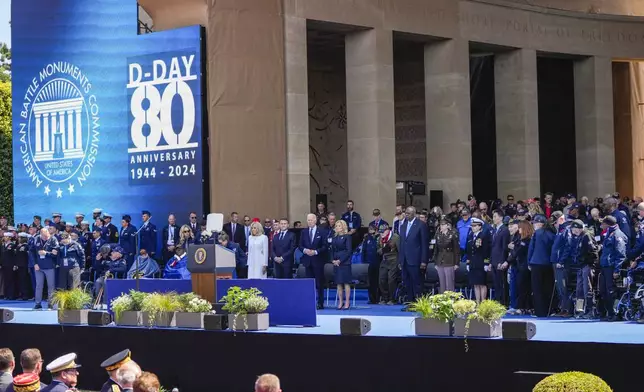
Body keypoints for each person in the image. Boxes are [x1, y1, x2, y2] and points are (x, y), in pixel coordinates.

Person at [598, 215, 627, 321]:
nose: (601, 225)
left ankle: (614, 313)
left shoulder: (617, 235)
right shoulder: (609, 233)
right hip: (605, 266)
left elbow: (621, 254)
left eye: (603, 223)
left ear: (608, 224)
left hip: (611, 267)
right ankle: (608, 313)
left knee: (611, 291)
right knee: (603, 291)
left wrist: (616, 270)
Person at [399, 206, 429, 306]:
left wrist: (424, 260)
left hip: (416, 259)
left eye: (408, 213)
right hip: (405, 259)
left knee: (417, 282)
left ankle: (419, 304)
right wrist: (400, 259)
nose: (406, 215)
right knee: (407, 282)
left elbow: (424, 244)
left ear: (414, 214)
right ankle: (410, 302)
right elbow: (402, 243)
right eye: (406, 213)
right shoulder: (403, 225)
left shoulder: (421, 225)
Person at [528, 214, 556, 317]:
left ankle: (539, 312)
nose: (534, 225)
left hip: (536, 263)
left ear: (540, 224)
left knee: (537, 289)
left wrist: (529, 262)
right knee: (547, 287)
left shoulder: (536, 234)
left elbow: (531, 248)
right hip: (548, 264)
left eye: (535, 223)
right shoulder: (552, 234)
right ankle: (548, 310)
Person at [299, 213, 328, 309]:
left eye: (311, 220)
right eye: (308, 220)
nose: (309, 222)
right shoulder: (304, 232)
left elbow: (325, 246)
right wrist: (305, 250)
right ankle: (310, 302)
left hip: (318, 260)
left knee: (319, 283)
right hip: (308, 261)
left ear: (315, 220)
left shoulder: (322, 231)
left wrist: (315, 252)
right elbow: (300, 245)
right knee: (309, 283)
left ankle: (320, 303)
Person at [508, 220, 534, 315]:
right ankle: (525, 306)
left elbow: (519, 251)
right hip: (521, 266)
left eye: (519, 227)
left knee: (523, 287)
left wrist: (513, 247)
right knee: (523, 288)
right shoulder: (522, 239)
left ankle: (522, 307)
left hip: (524, 267)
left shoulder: (526, 240)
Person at [432, 216, 460, 293]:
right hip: (440, 260)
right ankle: (442, 300)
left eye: (443, 225)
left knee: (449, 283)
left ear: (447, 225)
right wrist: (435, 262)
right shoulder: (438, 235)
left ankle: (450, 300)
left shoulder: (453, 234)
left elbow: (456, 250)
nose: (441, 226)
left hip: (449, 259)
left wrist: (456, 263)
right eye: (441, 225)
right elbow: (436, 250)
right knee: (442, 283)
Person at [32, 228, 58, 310]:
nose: (45, 238)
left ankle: (51, 304)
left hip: (49, 266)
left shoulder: (53, 239)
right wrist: (35, 263)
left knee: (51, 286)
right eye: (43, 236)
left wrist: (46, 253)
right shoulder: (36, 239)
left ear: (48, 233)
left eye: (46, 236)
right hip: (39, 266)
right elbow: (32, 252)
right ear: (40, 234)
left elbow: (56, 253)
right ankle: (38, 304)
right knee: (39, 285)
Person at [466, 217, 490, 303]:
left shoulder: (483, 236)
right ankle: (477, 301)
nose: (473, 227)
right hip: (473, 263)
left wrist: (486, 263)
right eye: (472, 226)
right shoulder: (470, 236)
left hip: (481, 263)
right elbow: (468, 251)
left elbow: (486, 250)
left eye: (475, 226)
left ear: (480, 227)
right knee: (475, 284)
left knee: (482, 284)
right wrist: (468, 263)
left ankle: (483, 302)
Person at [490, 209, 510, 305]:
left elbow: (504, 247)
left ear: (501, 217)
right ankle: (498, 301)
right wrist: (490, 261)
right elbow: (492, 247)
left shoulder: (505, 230)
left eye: (495, 216)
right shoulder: (494, 230)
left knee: (502, 283)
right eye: (493, 216)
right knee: (496, 283)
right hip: (494, 260)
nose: (493, 219)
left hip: (500, 260)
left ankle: (503, 302)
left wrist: (502, 261)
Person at [330, 220, 352, 309]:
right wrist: (333, 260)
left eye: (339, 226)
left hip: (344, 262)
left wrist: (340, 260)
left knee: (346, 283)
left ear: (343, 227)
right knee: (338, 283)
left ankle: (347, 302)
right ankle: (340, 302)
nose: (337, 227)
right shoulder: (334, 237)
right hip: (336, 262)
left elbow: (349, 250)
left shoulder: (347, 237)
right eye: (336, 226)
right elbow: (331, 250)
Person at [378, 224, 399, 304]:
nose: (381, 234)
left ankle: (392, 298)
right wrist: (382, 250)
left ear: (387, 230)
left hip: (393, 260)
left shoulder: (395, 237)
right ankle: (384, 298)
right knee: (381, 279)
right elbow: (378, 249)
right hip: (384, 260)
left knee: (391, 280)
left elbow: (400, 250)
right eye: (380, 232)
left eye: (383, 232)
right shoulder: (380, 237)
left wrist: (399, 262)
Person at [362, 224, 380, 304]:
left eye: (373, 232)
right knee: (370, 282)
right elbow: (363, 251)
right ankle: (371, 299)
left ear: (376, 231)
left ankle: (378, 298)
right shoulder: (367, 239)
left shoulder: (379, 238)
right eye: (370, 232)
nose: (371, 234)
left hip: (378, 263)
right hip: (369, 263)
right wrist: (364, 262)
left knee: (377, 281)